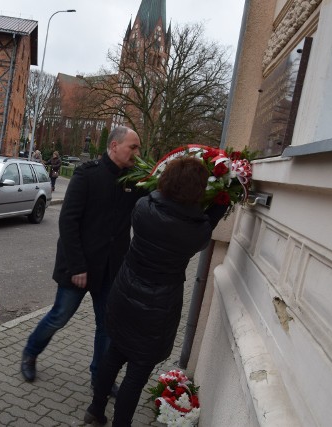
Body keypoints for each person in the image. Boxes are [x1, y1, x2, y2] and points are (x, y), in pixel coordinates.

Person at [83, 157, 228, 426]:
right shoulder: (195, 233)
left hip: (125, 294)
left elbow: (165, 202)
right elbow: (206, 224)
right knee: (135, 377)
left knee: (113, 355)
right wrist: (221, 202)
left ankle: (95, 409)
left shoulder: (143, 207)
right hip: (157, 309)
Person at [20, 126, 147, 394]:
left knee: (108, 326)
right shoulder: (87, 175)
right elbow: (68, 222)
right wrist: (77, 266)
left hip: (111, 270)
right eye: (132, 147)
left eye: (138, 148)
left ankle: (100, 377)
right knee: (59, 316)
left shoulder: (134, 181)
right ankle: (30, 352)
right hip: (79, 267)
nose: (137, 152)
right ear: (114, 146)